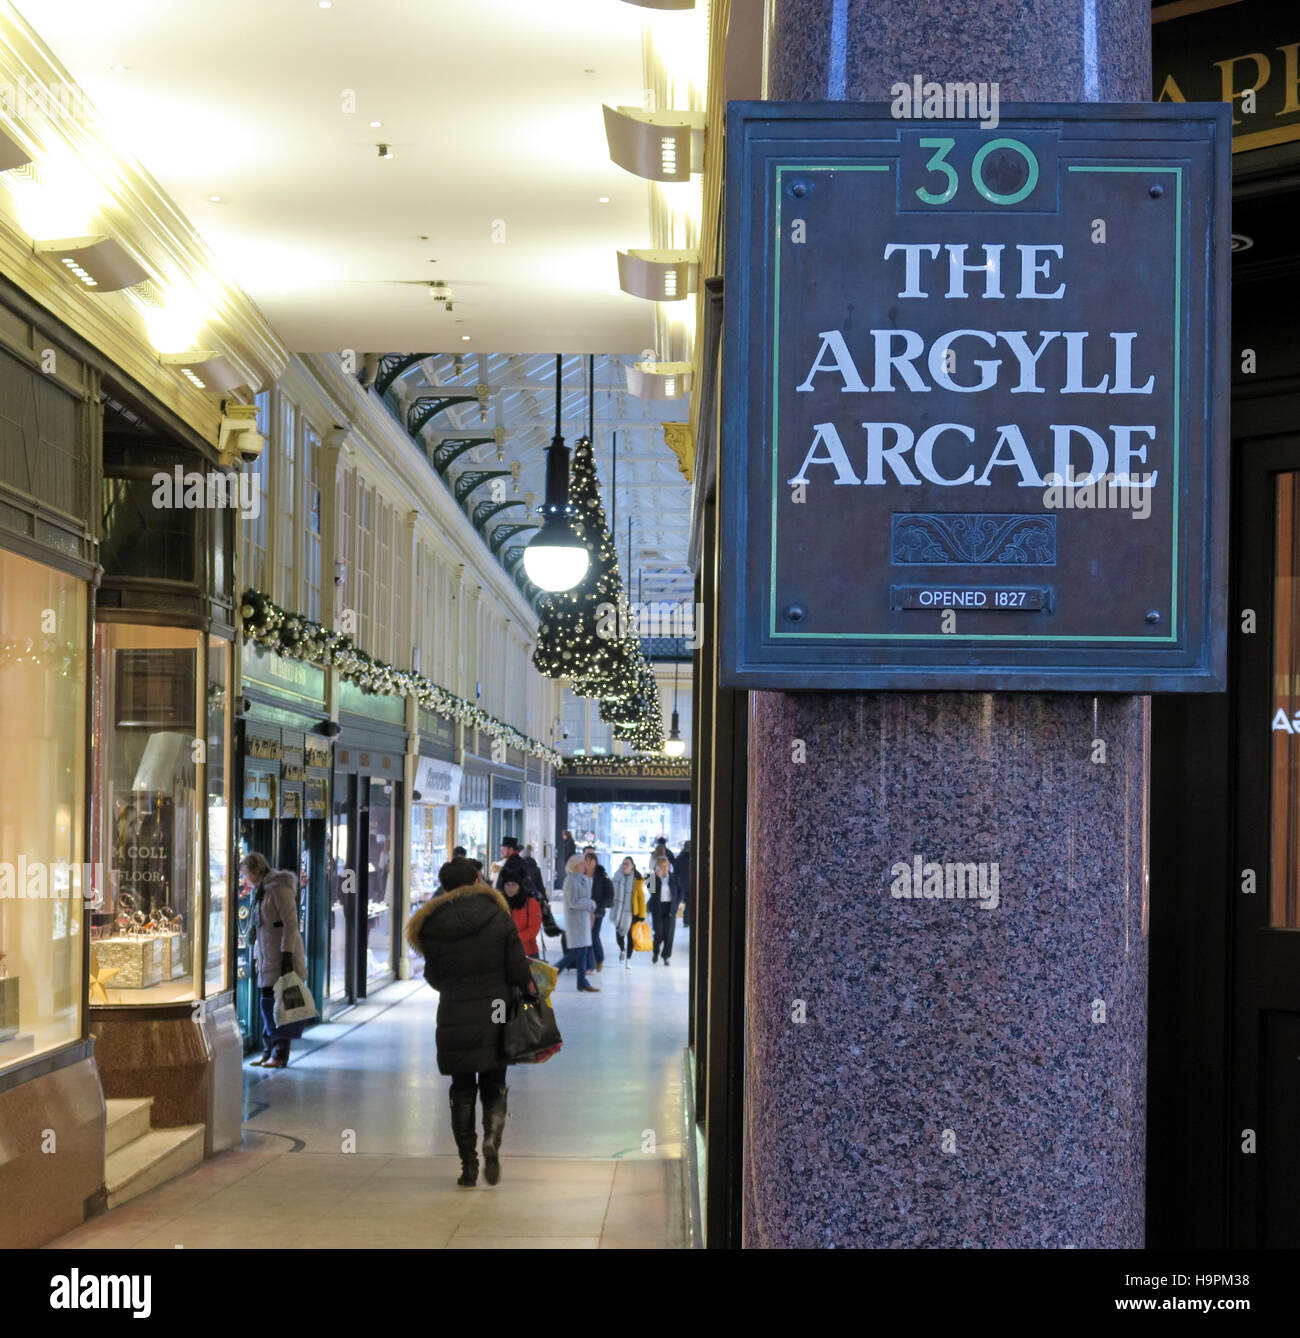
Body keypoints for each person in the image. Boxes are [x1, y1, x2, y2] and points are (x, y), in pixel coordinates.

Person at [406, 857, 537, 1187]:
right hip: (497, 1006)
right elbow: (517, 968)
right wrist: (531, 993)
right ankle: (492, 1136)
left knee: (461, 1089)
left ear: (446, 886)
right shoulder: (497, 915)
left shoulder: (432, 924)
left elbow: (433, 976)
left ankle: (468, 1165)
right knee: (495, 1079)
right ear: (477, 879)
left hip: (454, 1009)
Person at [241, 852, 308, 1068]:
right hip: (267, 956)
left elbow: (291, 923)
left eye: (246, 874)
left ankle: (279, 1053)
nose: (245, 880)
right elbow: (260, 929)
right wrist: (256, 957)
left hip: (280, 957)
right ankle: (268, 1049)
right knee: (267, 1004)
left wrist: (287, 955)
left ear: (256, 871)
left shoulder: (279, 888)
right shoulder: (260, 892)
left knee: (277, 1004)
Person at [551, 854, 599, 991]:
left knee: (582, 951)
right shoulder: (570, 881)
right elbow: (573, 902)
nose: (585, 865)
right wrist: (591, 904)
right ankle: (554, 971)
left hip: (583, 920)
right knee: (576, 952)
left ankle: (582, 982)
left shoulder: (584, 880)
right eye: (582, 863)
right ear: (575, 865)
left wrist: (590, 912)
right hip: (575, 921)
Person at [610, 856, 646, 968]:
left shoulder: (638, 880)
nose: (624, 866)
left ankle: (628, 960)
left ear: (632, 867)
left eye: (627, 864)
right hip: (619, 912)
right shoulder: (616, 877)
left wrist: (642, 915)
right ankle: (622, 949)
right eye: (623, 864)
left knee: (631, 938)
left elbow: (641, 898)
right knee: (619, 936)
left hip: (632, 913)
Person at [583, 846, 613, 973]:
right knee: (587, 938)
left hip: (598, 912)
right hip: (583, 912)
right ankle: (589, 965)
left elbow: (610, 893)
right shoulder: (581, 875)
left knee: (593, 936)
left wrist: (602, 905)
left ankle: (599, 959)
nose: (588, 863)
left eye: (591, 860)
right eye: (586, 860)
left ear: (595, 862)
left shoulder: (602, 875)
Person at [647, 856, 680, 965]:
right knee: (659, 933)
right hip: (658, 908)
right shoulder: (652, 877)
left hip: (670, 908)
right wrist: (655, 877)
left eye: (666, 866)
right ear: (657, 867)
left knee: (669, 934)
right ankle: (656, 952)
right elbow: (650, 891)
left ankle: (666, 956)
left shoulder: (674, 877)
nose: (664, 868)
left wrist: (677, 903)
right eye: (661, 866)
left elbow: (681, 891)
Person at [504, 875, 541, 957]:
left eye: (513, 884)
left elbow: (533, 929)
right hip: (505, 953)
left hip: (527, 953)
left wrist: (513, 938)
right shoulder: (501, 902)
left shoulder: (531, 903)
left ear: (520, 886)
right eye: (507, 884)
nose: (510, 888)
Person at [673, 840, 692, 929]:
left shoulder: (679, 859)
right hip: (691, 884)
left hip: (681, 884)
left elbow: (675, 872)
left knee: (680, 902)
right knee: (689, 904)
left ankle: (684, 920)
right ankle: (687, 920)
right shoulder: (696, 859)